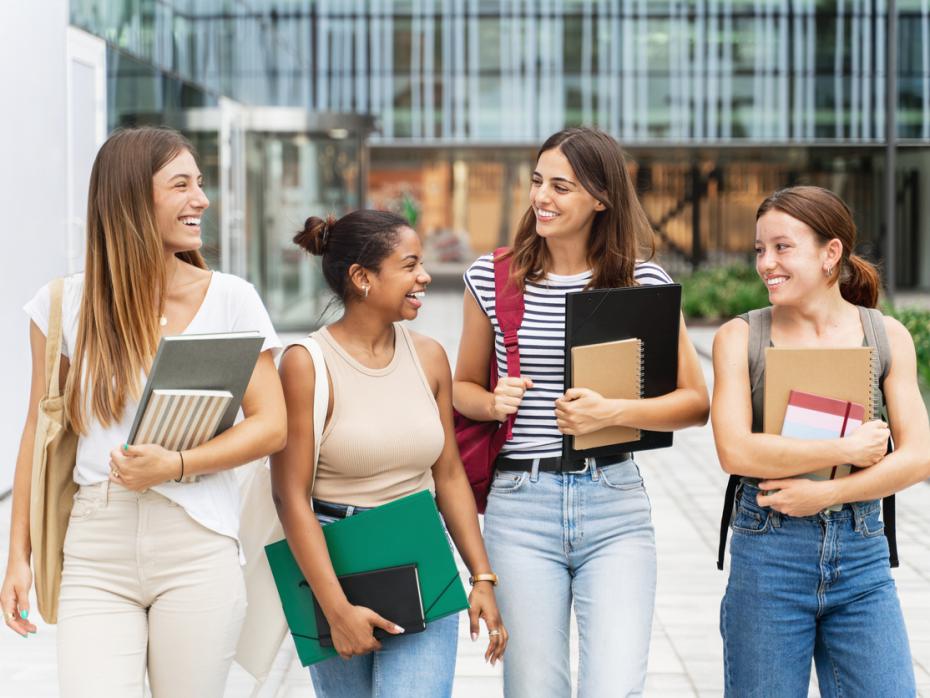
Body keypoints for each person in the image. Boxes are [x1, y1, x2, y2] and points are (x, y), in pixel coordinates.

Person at [0, 126, 287, 697]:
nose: (201, 200)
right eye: (181, 185)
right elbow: (39, 428)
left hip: (197, 541)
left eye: (200, 184)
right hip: (95, 546)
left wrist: (176, 464)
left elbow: (272, 424)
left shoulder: (231, 298)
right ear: (131, 198)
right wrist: (18, 557)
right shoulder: (63, 305)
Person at [452, 127, 710, 697]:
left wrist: (613, 411)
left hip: (614, 504)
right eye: (538, 181)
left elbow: (696, 403)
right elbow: (461, 388)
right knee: (534, 689)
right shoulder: (493, 279)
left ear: (601, 198)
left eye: (561, 187)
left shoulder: (642, 282)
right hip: (521, 509)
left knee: (614, 687)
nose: (542, 196)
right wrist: (492, 402)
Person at [272, 209, 507, 698]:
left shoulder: (429, 356)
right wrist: (337, 611)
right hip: (336, 563)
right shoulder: (305, 364)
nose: (424, 276)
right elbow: (290, 498)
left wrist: (481, 576)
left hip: (420, 556)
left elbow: (448, 474)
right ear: (361, 278)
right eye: (409, 265)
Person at [712, 185, 930, 696]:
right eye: (760, 250)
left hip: (862, 555)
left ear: (831, 253)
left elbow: (920, 456)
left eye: (782, 247)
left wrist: (828, 492)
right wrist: (844, 451)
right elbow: (735, 451)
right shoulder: (739, 338)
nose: (767, 263)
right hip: (769, 554)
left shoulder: (885, 336)